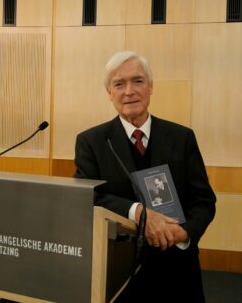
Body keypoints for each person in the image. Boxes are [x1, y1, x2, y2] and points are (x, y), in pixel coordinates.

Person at [74, 51, 216, 302]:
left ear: (151, 87)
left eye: (138, 81)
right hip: (119, 272)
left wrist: (183, 234)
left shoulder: (182, 137)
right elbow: (90, 196)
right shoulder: (91, 142)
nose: (129, 91)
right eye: (119, 84)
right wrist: (138, 213)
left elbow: (203, 201)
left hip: (176, 268)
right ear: (109, 92)